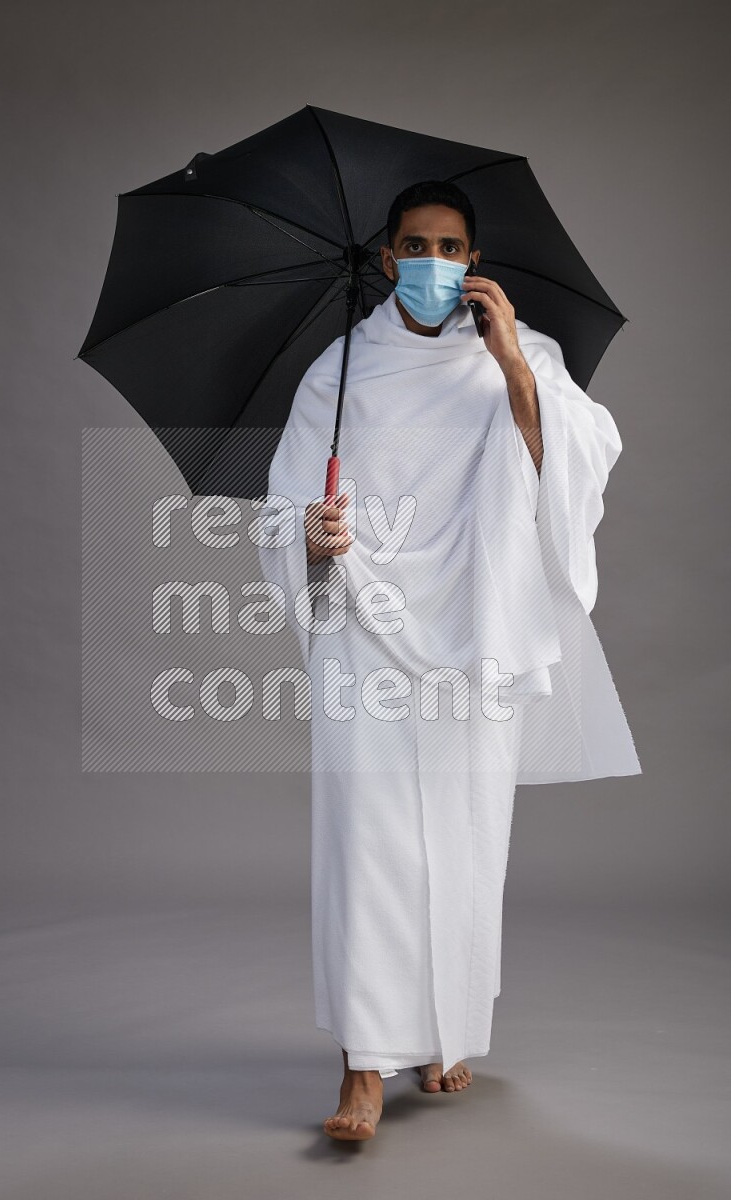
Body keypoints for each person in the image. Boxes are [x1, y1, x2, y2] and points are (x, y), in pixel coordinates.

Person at [258, 180, 640, 1141]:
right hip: (365, 629)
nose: (434, 262)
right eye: (417, 245)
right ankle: (362, 1068)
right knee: (367, 843)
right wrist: (311, 530)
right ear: (388, 259)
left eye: (453, 247)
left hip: (479, 629)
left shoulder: (528, 356)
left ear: (474, 261)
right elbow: (281, 508)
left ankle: (444, 1031)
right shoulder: (338, 372)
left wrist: (513, 363)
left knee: (469, 838)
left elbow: (577, 473)